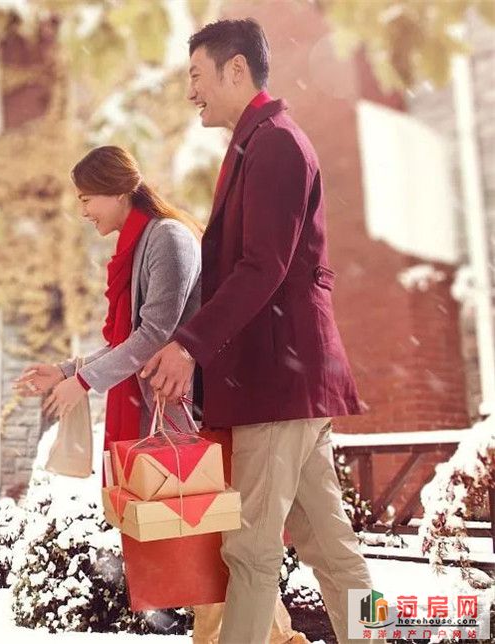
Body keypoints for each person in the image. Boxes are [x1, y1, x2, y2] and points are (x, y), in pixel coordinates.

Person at [142, 19, 372, 644]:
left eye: (196, 75)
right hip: (289, 383)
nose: (191, 91)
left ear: (235, 69)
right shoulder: (262, 142)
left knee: (249, 551)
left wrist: (189, 344)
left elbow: (262, 265)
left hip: (279, 381)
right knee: (330, 546)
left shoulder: (275, 143)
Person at [16, 145, 304, 644]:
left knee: (208, 536)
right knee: (207, 535)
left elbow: (155, 334)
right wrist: (64, 369)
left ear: (120, 190)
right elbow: (132, 337)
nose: (83, 211)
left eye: (88, 199)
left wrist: (81, 382)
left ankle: (243, 638)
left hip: (191, 408)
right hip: (172, 407)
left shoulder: (167, 238)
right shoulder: (145, 241)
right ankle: (271, 637)